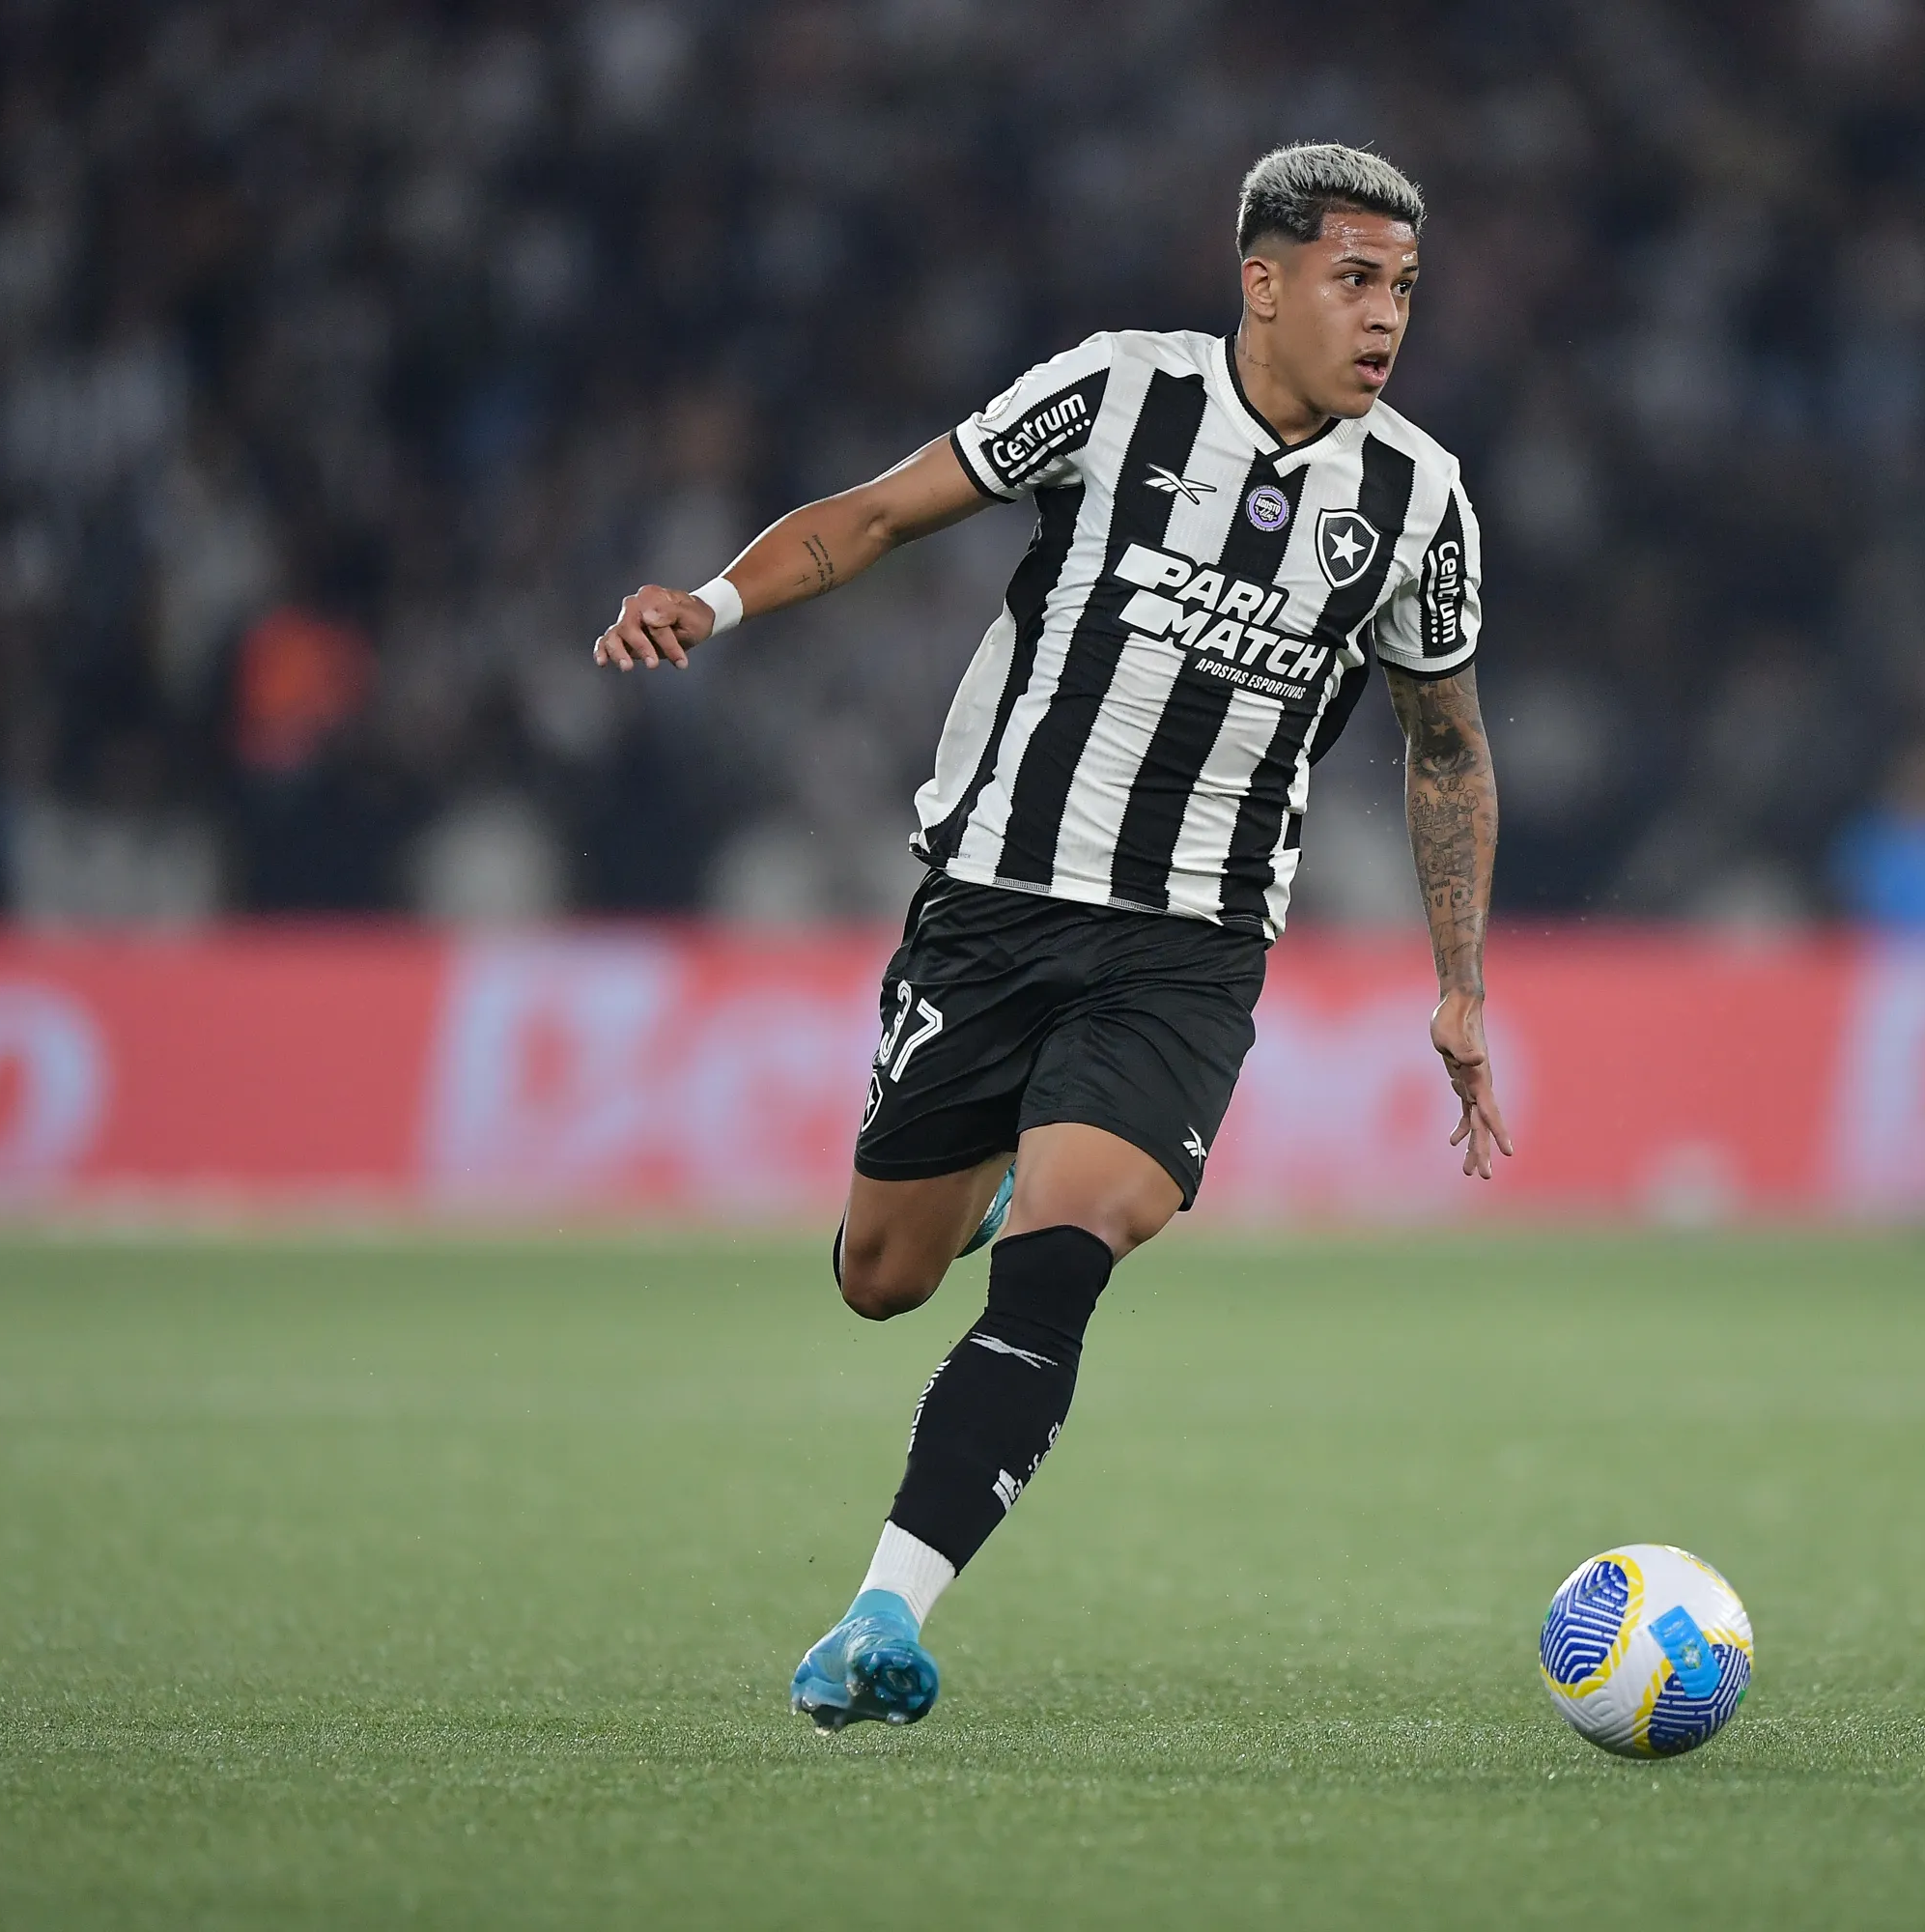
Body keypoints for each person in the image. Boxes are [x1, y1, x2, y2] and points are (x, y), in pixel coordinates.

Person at [591, 145, 1509, 1728]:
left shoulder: (1418, 501)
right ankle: (993, 1168)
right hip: (997, 906)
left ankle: (882, 1615)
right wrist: (718, 603)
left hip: (1191, 947)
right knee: (882, 1277)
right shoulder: (1115, 396)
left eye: (1406, 291)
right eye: (1357, 281)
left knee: (1055, 1280)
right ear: (1267, 280)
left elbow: (1446, 742)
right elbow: (881, 515)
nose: (1386, 320)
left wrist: (1460, 981)